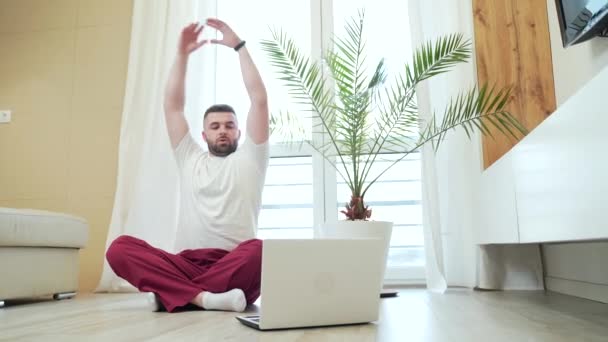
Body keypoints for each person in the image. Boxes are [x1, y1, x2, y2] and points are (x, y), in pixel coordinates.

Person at [105, 18, 269, 313]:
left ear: (239, 132)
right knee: (119, 249)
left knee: (261, 250)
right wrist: (181, 55)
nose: (222, 130)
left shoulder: (251, 159)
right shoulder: (189, 156)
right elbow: (173, 105)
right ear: (203, 134)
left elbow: (258, 99)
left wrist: (240, 47)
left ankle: (173, 292)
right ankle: (206, 298)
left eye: (229, 126)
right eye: (215, 126)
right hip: (186, 262)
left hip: (234, 264)